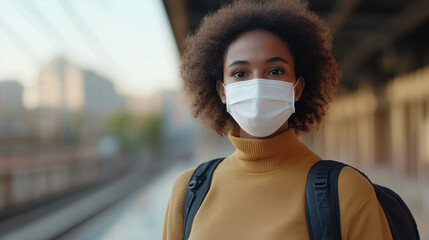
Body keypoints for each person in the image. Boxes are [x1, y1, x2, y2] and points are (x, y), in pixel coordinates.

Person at [162, 0, 392, 239]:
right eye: (240, 73)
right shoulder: (189, 191)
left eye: (275, 71)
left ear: (297, 88)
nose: (258, 86)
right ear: (222, 91)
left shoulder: (348, 192)